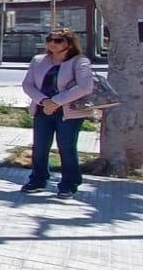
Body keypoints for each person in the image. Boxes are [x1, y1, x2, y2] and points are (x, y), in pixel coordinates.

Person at [20, 27, 95, 197]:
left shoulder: (79, 61)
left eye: (58, 40)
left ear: (69, 43)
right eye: (50, 40)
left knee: (66, 147)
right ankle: (38, 179)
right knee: (40, 147)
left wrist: (56, 102)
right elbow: (28, 85)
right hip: (43, 110)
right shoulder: (39, 60)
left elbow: (85, 87)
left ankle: (69, 182)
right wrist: (44, 101)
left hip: (69, 112)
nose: (53, 44)